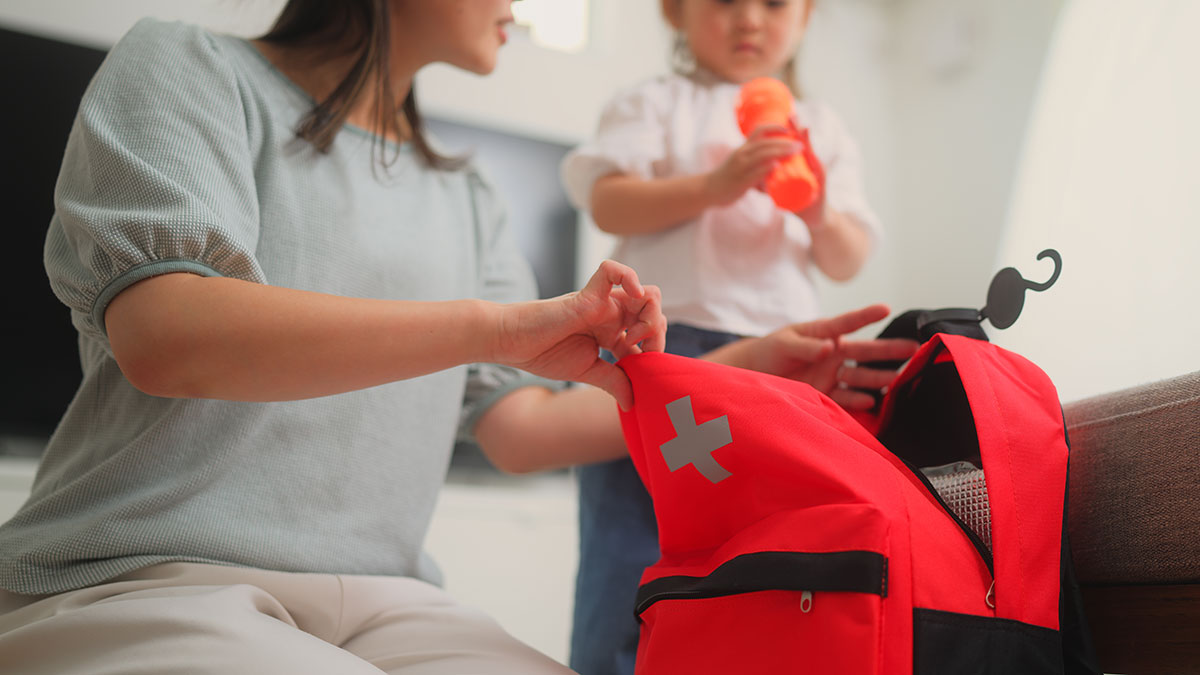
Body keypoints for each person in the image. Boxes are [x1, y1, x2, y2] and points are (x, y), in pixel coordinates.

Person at [0, 2, 915, 673]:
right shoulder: (185, 68)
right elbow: (167, 335)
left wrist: (748, 369)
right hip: (143, 574)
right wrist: (497, 328)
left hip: (391, 603)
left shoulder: (468, 198)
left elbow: (520, 432)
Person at [559, 1, 884, 673]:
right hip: (662, 351)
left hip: (776, 362)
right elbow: (609, 201)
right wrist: (717, 184)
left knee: (759, 543)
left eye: (774, 4)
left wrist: (817, 210)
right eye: (725, 1)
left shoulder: (819, 127)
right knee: (631, 538)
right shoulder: (656, 101)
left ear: (806, 15)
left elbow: (847, 257)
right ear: (675, 12)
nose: (750, 20)